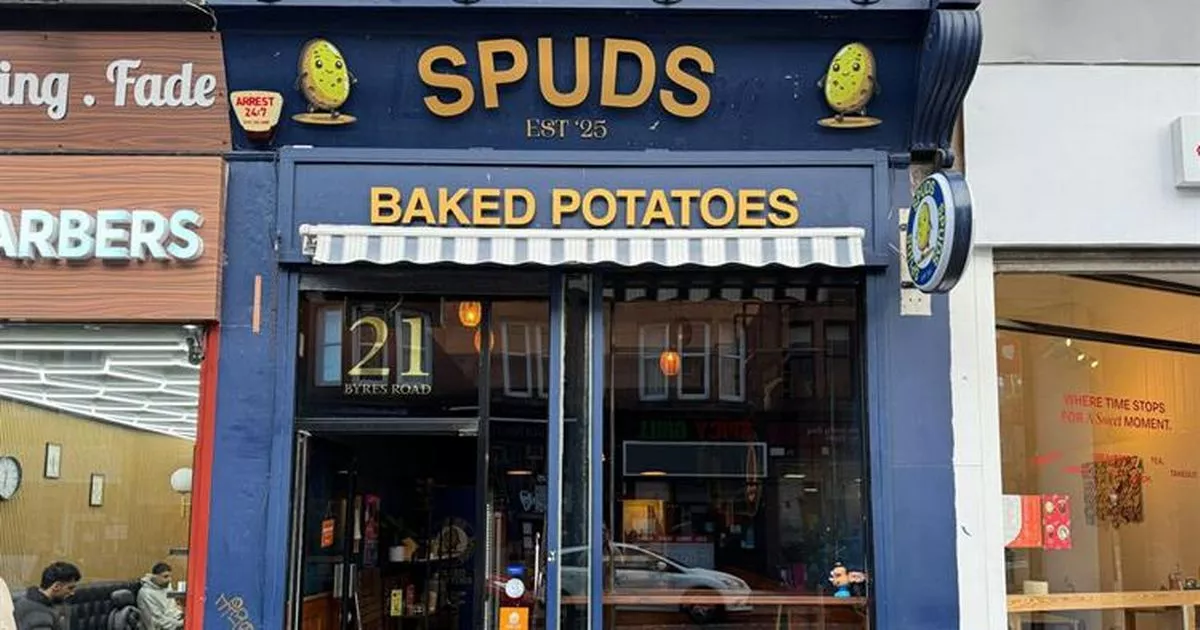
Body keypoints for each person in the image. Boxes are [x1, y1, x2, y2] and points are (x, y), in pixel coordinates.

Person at [14, 562, 80, 630]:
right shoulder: (38, 614)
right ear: (56, 586)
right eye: (70, 588)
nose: (72, 593)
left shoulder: (32, 601)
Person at [136, 563, 182, 630]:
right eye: (165, 576)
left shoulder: (166, 585)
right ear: (154, 577)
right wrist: (181, 623)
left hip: (177, 620)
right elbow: (157, 622)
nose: (170, 579)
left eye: (170, 576)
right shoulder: (145, 594)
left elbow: (171, 605)